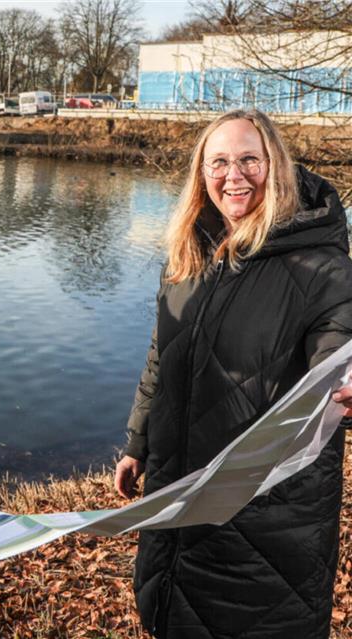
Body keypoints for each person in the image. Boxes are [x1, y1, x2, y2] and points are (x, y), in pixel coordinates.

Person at [114, 109, 352, 638]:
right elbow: (162, 353)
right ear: (202, 173)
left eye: (249, 160)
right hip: (175, 504)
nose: (233, 175)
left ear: (277, 166)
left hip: (265, 527)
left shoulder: (321, 266)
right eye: (218, 162)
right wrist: (138, 441)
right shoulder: (188, 254)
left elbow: (339, 354)